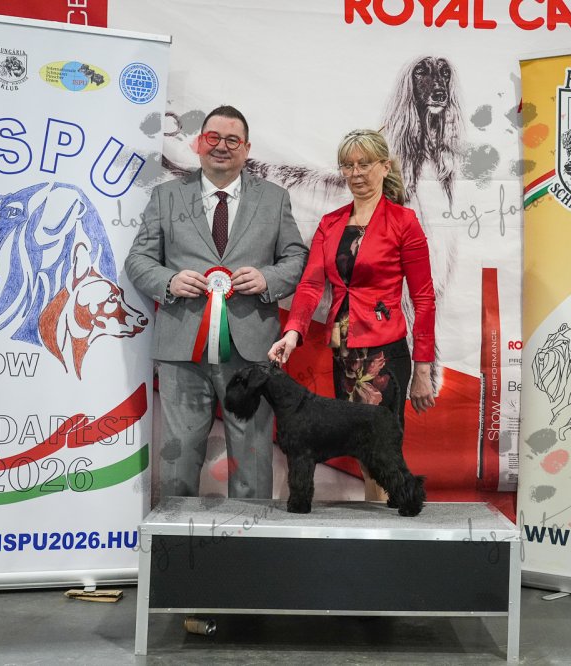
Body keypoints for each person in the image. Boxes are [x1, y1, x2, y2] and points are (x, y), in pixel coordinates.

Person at [125, 105, 308, 499]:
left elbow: (296, 257)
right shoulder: (166, 196)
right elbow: (138, 260)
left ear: (247, 148)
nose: (221, 147)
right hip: (181, 350)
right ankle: (175, 535)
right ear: (199, 143)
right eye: (213, 138)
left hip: (252, 351)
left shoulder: (275, 199)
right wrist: (169, 280)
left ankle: (251, 537)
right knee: (178, 455)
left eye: (232, 140)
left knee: (253, 458)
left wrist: (268, 278)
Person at [268, 129, 436, 501]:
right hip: (343, 352)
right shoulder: (330, 223)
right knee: (361, 451)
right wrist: (292, 332)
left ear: (385, 166)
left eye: (364, 164)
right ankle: (378, 516)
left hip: (384, 353)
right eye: (347, 165)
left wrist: (423, 369)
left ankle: (387, 519)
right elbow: (311, 285)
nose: (355, 173)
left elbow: (424, 298)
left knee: (380, 450)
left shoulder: (404, 221)